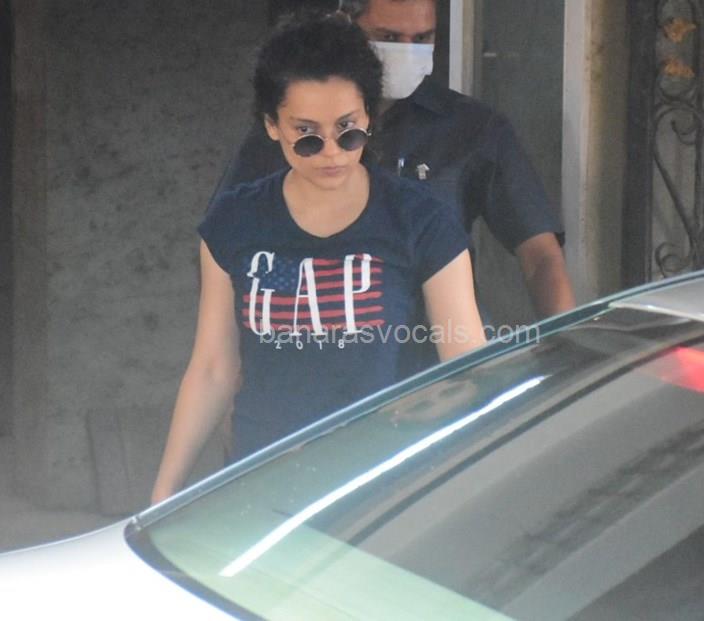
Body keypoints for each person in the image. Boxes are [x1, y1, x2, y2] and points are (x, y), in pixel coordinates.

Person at [151, 12, 485, 503]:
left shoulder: (421, 222)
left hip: (379, 488)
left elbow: (468, 366)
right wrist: (164, 495)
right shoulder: (235, 221)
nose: (331, 152)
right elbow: (213, 369)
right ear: (271, 125)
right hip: (261, 480)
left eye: (348, 131)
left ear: (369, 117)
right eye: (307, 134)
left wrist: (432, 412)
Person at [216, 0, 576, 321]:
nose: (406, 52)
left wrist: (566, 340)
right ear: (346, 25)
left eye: (422, 38)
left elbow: (540, 253)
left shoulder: (471, 128)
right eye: (388, 37)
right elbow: (224, 246)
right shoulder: (291, 135)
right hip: (323, 347)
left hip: (439, 351)